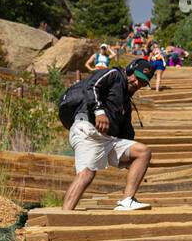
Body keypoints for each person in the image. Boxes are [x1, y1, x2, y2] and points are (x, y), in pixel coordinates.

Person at [61, 59, 156, 212]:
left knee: (142, 152)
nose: (137, 83)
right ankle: (64, 217)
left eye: (143, 83)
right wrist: (99, 111)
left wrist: (132, 161)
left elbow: (126, 131)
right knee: (86, 174)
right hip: (88, 130)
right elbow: (91, 86)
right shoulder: (114, 74)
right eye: (137, 78)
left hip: (108, 139)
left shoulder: (125, 99)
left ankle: (127, 200)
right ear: (130, 71)